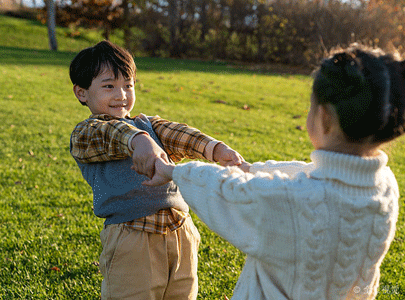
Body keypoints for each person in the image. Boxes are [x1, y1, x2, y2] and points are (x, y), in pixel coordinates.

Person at [138, 44, 405, 299]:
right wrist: (250, 169)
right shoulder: (385, 187)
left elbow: (229, 192)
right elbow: (309, 176)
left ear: (323, 118)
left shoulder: (288, 203)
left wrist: (173, 172)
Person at [69, 40, 243, 300]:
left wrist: (215, 149)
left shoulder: (147, 125)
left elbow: (179, 133)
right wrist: (139, 141)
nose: (121, 95)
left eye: (128, 85)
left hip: (181, 232)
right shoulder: (86, 134)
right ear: (82, 93)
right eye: (109, 86)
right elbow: (112, 132)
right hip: (132, 239)